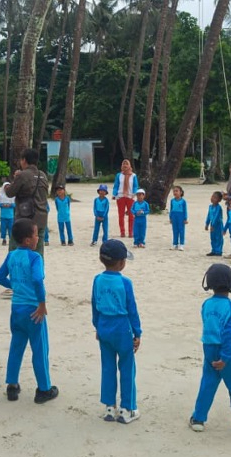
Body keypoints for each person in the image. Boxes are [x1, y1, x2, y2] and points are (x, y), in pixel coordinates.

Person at [0, 219, 58, 404]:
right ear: (28, 240)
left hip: (16, 309)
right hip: (33, 310)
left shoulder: (12, 255)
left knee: (16, 347)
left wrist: (14, 285)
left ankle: (12, 385)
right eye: (36, 234)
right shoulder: (35, 257)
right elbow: (38, 280)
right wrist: (42, 303)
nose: (38, 237)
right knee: (39, 349)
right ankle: (44, 389)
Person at [189, 264, 231, 437]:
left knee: (208, 383)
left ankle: (198, 419)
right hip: (229, 352)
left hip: (209, 348)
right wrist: (225, 357)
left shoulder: (206, 304)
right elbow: (228, 333)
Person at [91, 240, 141, 424]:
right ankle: (127, 408)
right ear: (121, 263)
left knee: (108, 367)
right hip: (122, 328)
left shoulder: (97, 279)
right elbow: (132, 309)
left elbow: (94, 305)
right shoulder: (125, 282)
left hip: (104, 325)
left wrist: (97, 326)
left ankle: (110, 407)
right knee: (127, 368)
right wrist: (137, 333)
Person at [4, 148, 49, 257]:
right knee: (38, 255)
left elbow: (10, 192)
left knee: (15, 252)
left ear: (24, 160)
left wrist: (9, 183)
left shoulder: (22, 175)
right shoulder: (43, 175)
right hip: (41, 219)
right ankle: (37, 274)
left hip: (24, 221)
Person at [112, 160, 139, 238]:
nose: (125, 165)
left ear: (129, 165)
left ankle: (131, 232)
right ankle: (122, 232)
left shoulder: (133, 175)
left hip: (130, 196)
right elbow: (116, 185)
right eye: (123, 164)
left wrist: (134, 193)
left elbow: (135, 186)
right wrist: (114, 193)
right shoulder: (118, 175)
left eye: (126, 164)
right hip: (120, 196)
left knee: (131, 215)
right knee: (121, 215)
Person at [204, 192, 224, 257]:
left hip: (218, 225)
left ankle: (218, 251)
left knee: (218, 238)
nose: (213, 199)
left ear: (219, 200)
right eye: (212, 197)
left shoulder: (218, 208)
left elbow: (216, 217)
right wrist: (207, 223)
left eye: (215, 198)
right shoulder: (210, 207)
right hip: (212, 225)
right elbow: (209, 215)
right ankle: (214, 250)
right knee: (212, 238)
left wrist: (213, 225)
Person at [169, 186, 188, 251]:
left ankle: (181, 244)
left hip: (181, 216)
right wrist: (170, 217)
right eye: (174, 191)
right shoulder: (172, 201)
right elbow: (171, 209)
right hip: (174, 215)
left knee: (181, 230)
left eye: (177, 191)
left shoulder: (183, 201)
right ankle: (175, 244)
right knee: (175, 230)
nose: (175, 192)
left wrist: (185, 218)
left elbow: (185, 210)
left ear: (181, 192)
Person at [0, 183, 15, 247]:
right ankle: (4, 239)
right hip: (3, 215)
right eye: (5, 187)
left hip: (10, 216)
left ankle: (11, 239)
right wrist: (2, 205)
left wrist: (10, 205)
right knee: (3, 228)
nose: (7, 189)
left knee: (10, 228)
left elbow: (15, 204)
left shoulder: (12, 195)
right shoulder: (1, 195)